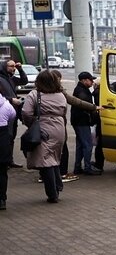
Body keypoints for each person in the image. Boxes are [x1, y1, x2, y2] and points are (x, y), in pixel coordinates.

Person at [22, 70, 67, 203]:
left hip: (43, 128)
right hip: (59, 128)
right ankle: (58, 186)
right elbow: (64, 111)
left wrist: (31, 124)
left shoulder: (35, 94)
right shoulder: (61, 95)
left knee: (45, 161)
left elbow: (26, 112)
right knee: (54, 157)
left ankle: (52, 193)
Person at [71, 72, 101, 176]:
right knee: (87, 145)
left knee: (80, 145)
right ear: (84, 80)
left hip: (78, 121)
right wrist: (95, 109)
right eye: (90, 80)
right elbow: (84, 105)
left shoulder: (81, 89)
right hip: (82, 121)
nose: (92, 82)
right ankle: (87, 167)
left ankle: (77, 167)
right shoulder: (81, 91)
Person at [0, 59, 28, 167]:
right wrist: (11, 100)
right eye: (11, 66)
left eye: (14, 66)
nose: (14, 68)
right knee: (6, 136)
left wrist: (21, 69)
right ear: (4, 67)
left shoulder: (10, 78)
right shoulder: (1, 79)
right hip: (4, 113)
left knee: (11, 136)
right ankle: (5, 161)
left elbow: (24, 81)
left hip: (13, 112)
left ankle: (9, 160)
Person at [0, 93, 16, 209]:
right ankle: (2, 199)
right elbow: (12, 116)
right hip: (3, 137)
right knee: (2, 171)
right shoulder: (6, 104)